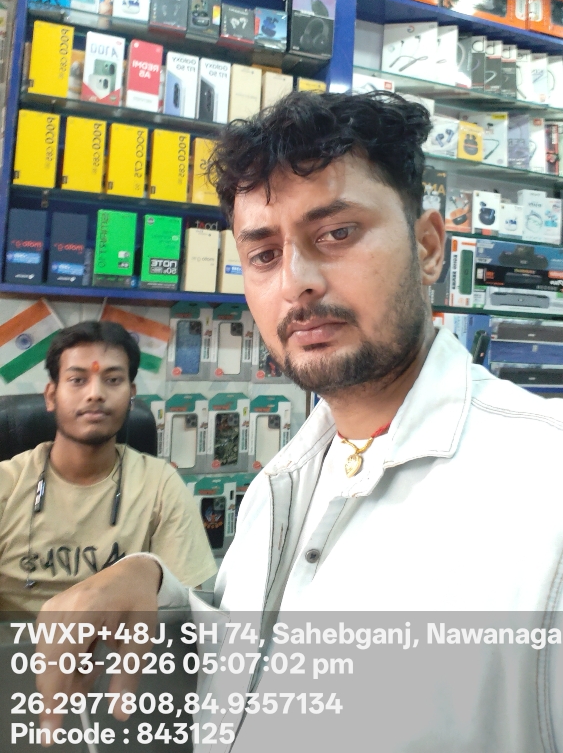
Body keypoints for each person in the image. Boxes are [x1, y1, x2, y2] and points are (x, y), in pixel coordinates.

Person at [34, 92, 563, 746]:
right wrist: (157, 591)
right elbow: (259, 680)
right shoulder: (280, 485)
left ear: (428, 248)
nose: (295, 282)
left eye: (336, 234)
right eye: (263, 255)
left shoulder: (544, 485)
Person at [0, 320, 216, 612]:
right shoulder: (7, 484)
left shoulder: (160, 486)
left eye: (113, 380)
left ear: (131, 396)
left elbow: (188, 607)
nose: (95, 394)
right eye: (77, 380)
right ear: (51, 396)